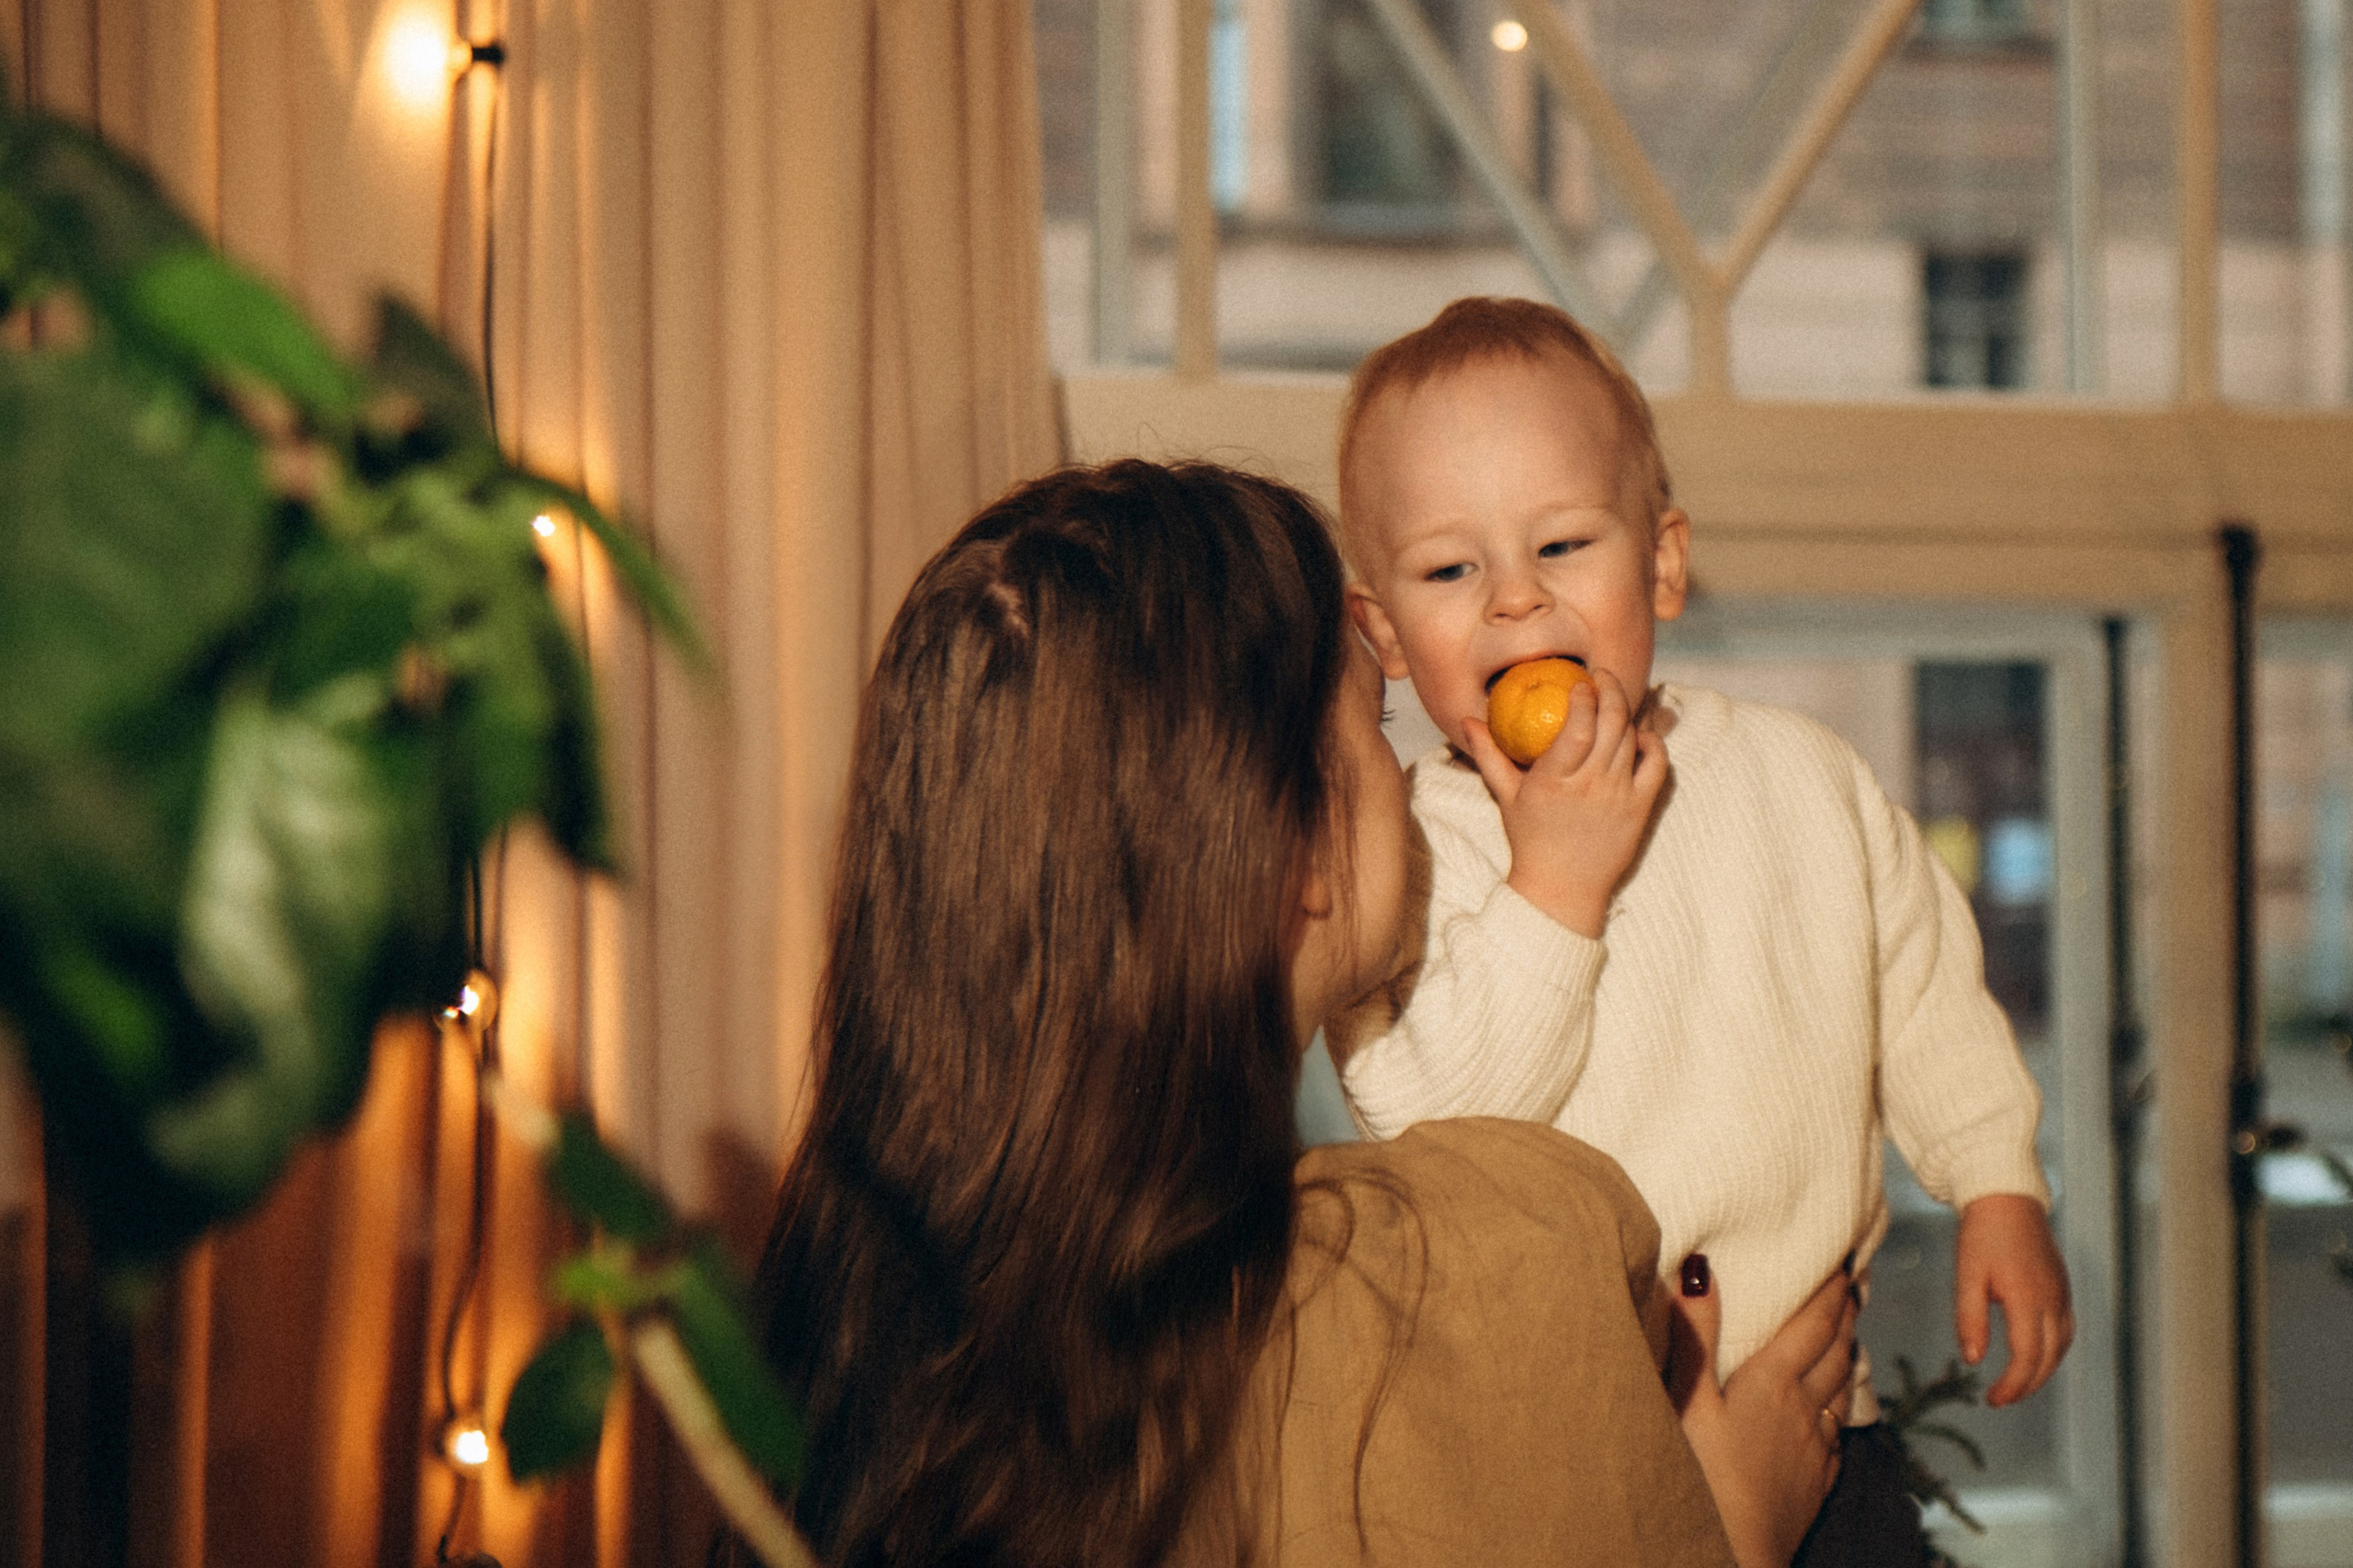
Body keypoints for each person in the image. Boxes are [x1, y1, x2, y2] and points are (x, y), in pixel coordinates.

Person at [748, 459, 1857, 1568]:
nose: (1408, 767)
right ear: (1293, 847)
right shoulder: (1482, 1257)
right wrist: (1730, 1530)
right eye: (1373, 716)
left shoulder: (822, 1322)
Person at [1326, 297, 2076, 1566]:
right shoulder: (1407, 850)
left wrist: (1997, 1174)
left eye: (1562, 542)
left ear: (1661, 563)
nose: (1514, 600)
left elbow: (1923, 982)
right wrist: (1556, 885)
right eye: (1452, 570)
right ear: (1390, 636)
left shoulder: (1803, 776)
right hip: (1552, 1450)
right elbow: (1428, 1123)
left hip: (1826, 1419)